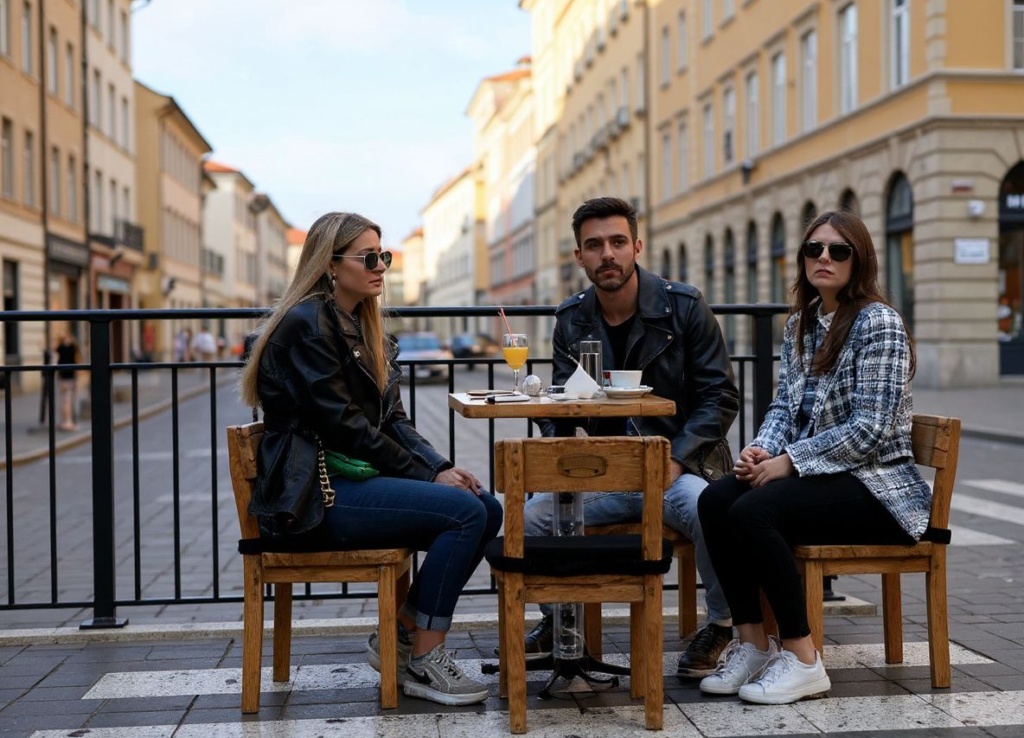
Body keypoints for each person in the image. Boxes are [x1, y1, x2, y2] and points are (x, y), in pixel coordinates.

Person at [238, 211, 502, 707]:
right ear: (331, 265)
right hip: (312, 497)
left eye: (384, 255)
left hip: (343, 483)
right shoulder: (308, 325)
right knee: (466, 513)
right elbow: (347, 428)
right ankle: (424, 659)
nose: (381, 265)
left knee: (484, 505)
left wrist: (442, 468)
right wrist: (430, 474)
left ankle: (400, 638)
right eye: (369, 257)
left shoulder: (363, 325)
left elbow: (393, 421)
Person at [697, 210, 930, 705]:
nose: (823, 258)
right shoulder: (804, 323)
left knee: (754, 510)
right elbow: (785, 404)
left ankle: (804, 659)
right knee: (717, 499)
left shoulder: (879, 322)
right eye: (814, 249)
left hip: (879, 488)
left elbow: (871, 429)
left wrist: (790, 462)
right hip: (825, 476)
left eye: (838, 250)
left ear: (859, 259)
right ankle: (755, 645)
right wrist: (762, 450)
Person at [520, 197, 739, 677]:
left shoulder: (683, 306)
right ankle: (559, 622)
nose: (608, 255)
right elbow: (561, 403)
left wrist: (677, 459)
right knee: (530, 516)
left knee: (711, 510)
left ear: (637, 246)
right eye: (594, 245)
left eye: (618, 242)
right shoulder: (571, 318)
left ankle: (722, 624)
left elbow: (719, 397)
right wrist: (559, 445)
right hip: (604, 473)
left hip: (675, 469)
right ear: (579, 256)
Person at [55, 333, 80, 432]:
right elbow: (78, 359)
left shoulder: (60, 348)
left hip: (62, 376)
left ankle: (64, 421)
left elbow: (55, 357)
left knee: (63, 399)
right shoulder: (73, 347)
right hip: (70, 376)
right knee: (68, 400)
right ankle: (68, 422)